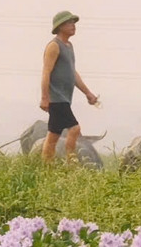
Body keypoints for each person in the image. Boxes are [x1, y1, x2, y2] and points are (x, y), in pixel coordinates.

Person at [40, 10, 99, 162]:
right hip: (56, 98)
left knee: (53, 135)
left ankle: (46, 167)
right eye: (69, 23)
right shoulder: (54, 46)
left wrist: (88, 93)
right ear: (60, 27)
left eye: (73, 22)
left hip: (65, 97)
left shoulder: (69, 46)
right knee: (75, 129)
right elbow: (46, 73)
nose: (73, 25)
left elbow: (72, 73)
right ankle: (71, 163)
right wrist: (45, 98)